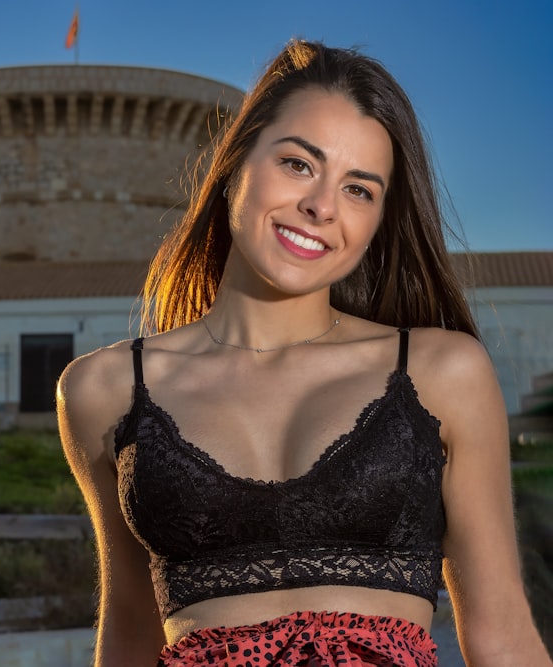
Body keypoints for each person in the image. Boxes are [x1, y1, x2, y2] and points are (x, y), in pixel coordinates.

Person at [56, 39, 552, 667]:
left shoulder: (440, 372)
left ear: (377, 221)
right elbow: (129, 638)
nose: (321, 206)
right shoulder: (104, 390)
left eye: (359, 190)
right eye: (297, 163)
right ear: (236, 162)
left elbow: (502, 639)